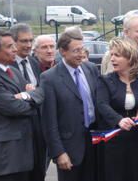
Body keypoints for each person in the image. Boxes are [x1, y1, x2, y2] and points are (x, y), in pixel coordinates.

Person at [40, 26, 99, 181]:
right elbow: (49, 120)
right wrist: (59, 153)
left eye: (82, 49)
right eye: (76, 51)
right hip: (69, 149)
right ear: (63, 51)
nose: (81, 55)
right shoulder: (49, 78)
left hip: (94, 142)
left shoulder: (91, 69)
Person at [96, 37, 138, 181]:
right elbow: (102, 105)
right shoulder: (105, 80)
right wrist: (119, 120)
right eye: (111, 55)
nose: (112, 59)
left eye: (117, 55)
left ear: (130, 58)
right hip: (114, 140)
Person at [0, 30, 43, 181]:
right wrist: (31, 98)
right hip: (7, 158)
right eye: (10, 46)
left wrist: (24, 96)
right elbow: (15, 108)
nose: (15, 49)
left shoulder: (13, 71)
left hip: (27, 152)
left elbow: (40, 93)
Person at [10, 23, 46, 181]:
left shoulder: (34, 63)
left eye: (31, 40)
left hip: (38, 129)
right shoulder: (6, 66)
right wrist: (31, 95)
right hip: (16, 132)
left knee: (38, 173)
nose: (29, 45)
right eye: (24, 41)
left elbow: (41, 92)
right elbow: (10, 101)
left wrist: (31, 94)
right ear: (13, 42)